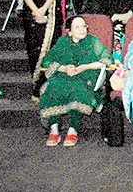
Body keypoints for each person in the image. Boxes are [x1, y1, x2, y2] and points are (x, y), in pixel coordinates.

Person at [37, 16, 112, 147]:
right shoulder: (62, 43)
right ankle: (54, 130)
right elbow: (46, 61)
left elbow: (107, 60)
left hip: (86, 75)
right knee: (51, 87)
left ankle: (73, 129)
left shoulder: (93, 41)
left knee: (77, 87)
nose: (82, 29)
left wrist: (84, 67)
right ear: (69, 31)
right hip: (64, 75)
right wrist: (64, 68)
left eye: (84, 26)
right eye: (77, 27)